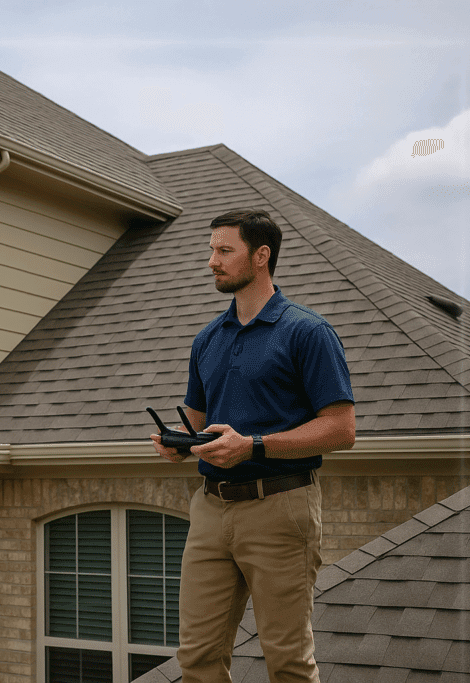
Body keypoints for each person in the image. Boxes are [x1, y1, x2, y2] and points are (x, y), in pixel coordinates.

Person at [150, 208, 355, 683]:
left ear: (261, 256)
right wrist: (178, 445)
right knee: (197, 658)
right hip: (210, 510)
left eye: (224, 251)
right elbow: (200, 424)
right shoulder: (207, 339)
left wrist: (254, 445)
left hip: (281, 507)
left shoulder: (308, 332)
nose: (212, 262)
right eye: (211, 250)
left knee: (287, 662)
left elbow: (342, 429)